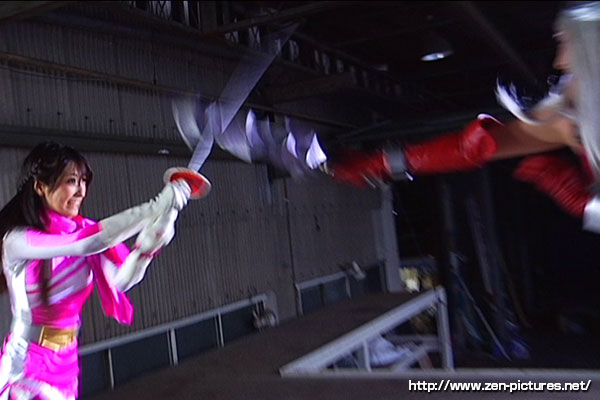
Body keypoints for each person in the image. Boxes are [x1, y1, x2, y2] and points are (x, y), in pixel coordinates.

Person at [328, 2, 600, 232]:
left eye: (567, 43)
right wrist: (378, 164)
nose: (560, 62)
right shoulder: (572, 116)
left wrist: (587, 207)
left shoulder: (576, 116)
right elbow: (471, 148)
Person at [0, 141, 208, 400]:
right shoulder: (17, 240)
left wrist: (148, 247)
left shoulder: (86, 230)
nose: (81, 191)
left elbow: (121, 281)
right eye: (71, 181)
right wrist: (156, 206)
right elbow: (86, 243)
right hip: (26, 364)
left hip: (66, 362)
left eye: (83, 181)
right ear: (41, 186)